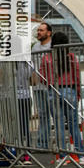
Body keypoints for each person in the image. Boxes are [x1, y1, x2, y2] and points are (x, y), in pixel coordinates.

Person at [40, 31, 84, 162]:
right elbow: (77, 77)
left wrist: (50, 82)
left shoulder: (46, 58)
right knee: (73, 124)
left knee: (59, 125)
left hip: (53, 91)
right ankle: (81, 154)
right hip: (69, 90)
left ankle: (62, 156)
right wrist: (77, 93)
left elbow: (42, 77)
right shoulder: (71, 57)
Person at [31, 21, 52, 149]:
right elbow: (32, 66)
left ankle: (59, 144)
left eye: (42, 30)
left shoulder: (53, 46)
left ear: (49, 33)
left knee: (55, 114)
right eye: (38, 30)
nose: (39, 32)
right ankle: (42, 143)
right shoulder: (35, 47)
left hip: (50, 86)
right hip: (38, 86)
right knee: (43, 114)